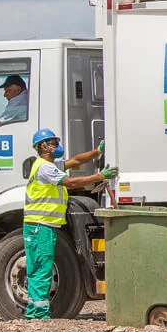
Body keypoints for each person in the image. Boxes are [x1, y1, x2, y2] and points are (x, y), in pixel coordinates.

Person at [23, 129, 117, 320]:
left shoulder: (48, 164)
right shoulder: (45, 168)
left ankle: (33, 312)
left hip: (37, 225)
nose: (57, 146)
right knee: (42, 269)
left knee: (36, 269)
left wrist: (97, 151)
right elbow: (71, 182)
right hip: (41, 225)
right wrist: (99, 177)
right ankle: (39, 315)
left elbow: (75, 162)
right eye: (52, 143)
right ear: (42, 146)